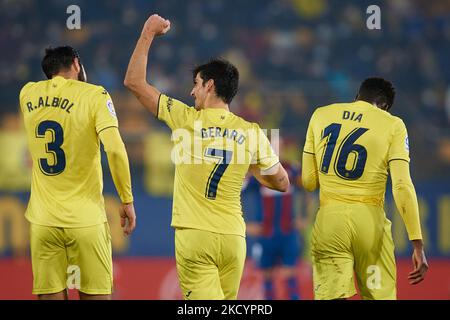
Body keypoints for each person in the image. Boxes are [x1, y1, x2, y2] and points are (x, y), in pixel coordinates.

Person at [124, 14, 289, 300]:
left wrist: (148, 32)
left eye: (196, 83)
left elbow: (135, 82)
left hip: (195, 235)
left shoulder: (186, 118)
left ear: (210, 85)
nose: (191, 91)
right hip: (233, 238)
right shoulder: (251, 132)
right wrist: (250, 168)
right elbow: (282, 182)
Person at [19, 46, 136, 300]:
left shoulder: (27, 93)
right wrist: (126, 199)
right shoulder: (95, 95)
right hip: (86, 220)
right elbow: (115, 150)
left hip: (43, 221)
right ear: (76, 63)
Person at [301, 77, 429, 300]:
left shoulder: (320, 115)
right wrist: (417, 243)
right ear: (384, 106)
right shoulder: (393, 124)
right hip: (369, 221)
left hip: (329, 222)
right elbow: (401, 186)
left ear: (357, 97)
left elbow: (309, 181)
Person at [244, 162, 305, 300]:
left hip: (288, 232)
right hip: (266, 233)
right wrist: (248, 223)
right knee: (267, 275)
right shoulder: (258, 173)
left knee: (290, 273)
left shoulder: (291, 170)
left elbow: (308, 188)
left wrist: (303, 216)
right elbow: (240, 192)